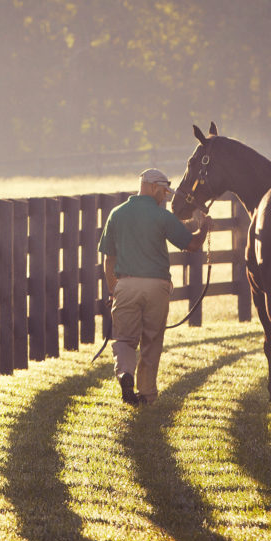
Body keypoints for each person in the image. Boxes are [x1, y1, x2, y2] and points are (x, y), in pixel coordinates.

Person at [99, 168, 209, 406]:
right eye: (163, 191)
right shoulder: (161, 216)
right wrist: (204, 227)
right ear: (151, 187)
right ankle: (147, 395)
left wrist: (112, 290)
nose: (165, 197)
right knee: (152, 340)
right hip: (157, 287)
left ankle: (125, 374)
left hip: (125, 285)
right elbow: (192, 244)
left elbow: (108, 259)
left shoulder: (116, 214)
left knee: (125, 340)